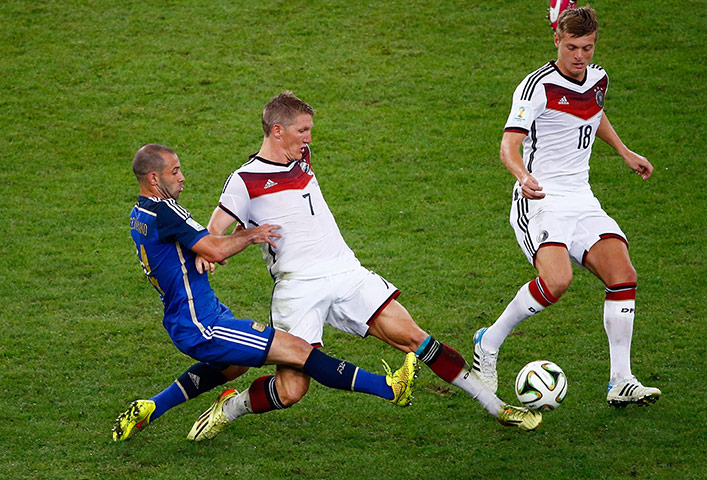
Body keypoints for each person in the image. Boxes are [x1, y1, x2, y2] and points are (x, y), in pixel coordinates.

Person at [194, 91, 541, 437]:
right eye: (302, 130)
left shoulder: (302, 157)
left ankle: (497, 406)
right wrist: (210, 254)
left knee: (414, 337)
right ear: (277, 130)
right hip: (297, 287)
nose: (309, 139)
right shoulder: (245, 180)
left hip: (347, 271)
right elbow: (214, 232)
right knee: (291, 390)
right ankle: (231, 407)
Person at [112, 143, 418, 442]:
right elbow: (215, 250)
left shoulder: (140, 213)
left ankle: (153, 406)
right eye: (175, 171)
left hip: (194, 314)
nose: (182, 177)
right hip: (202, 324)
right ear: (154, 178)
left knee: (234, 366)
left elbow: (189, 251)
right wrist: (251, 234)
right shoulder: (166, 212)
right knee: (300, 351)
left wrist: (204, 252)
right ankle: (390, 388)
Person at [471, 6, 661, 407]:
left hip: (582, 197)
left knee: (623, 274)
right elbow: (509, 144)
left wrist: (624, 152)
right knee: (557, 282)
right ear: (557, 39)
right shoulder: (535, 87)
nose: (580, 56)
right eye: (572, 47)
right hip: (541, 198)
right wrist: (523, 177)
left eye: (587, 48)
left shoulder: (598, 78)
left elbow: (593, 112)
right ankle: (488, 341)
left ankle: (621, 381)